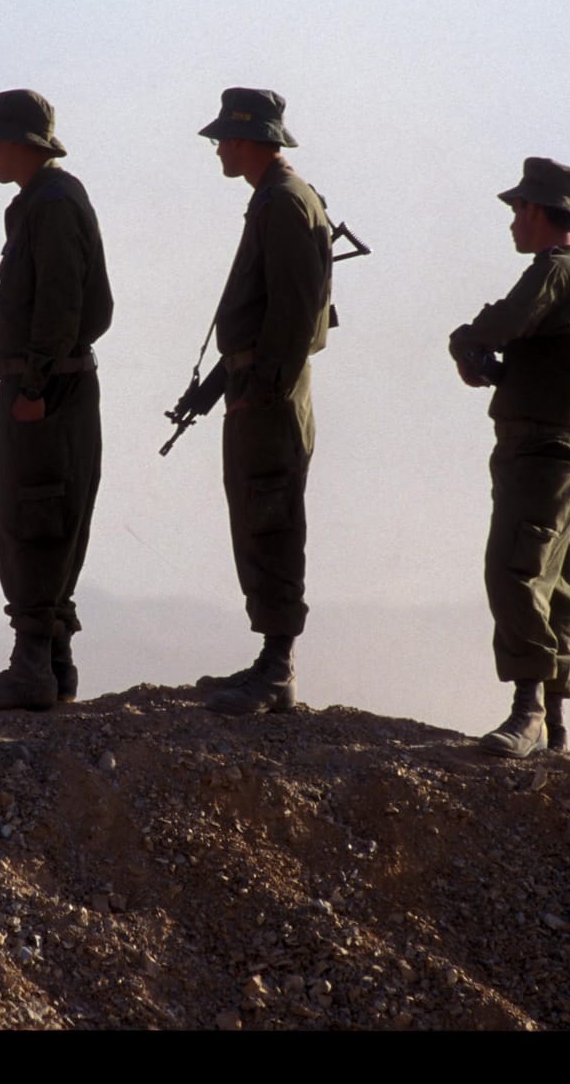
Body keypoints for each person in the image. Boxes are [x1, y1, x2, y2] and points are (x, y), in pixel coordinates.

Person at [0, 89, 113, 711]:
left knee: (35, 517)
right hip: (44, 384)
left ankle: (33, 667)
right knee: (42, 517)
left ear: (21, 144)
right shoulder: (40, 202)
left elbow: (64, 304)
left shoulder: (53, 204)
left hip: (48, 390)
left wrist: (36, 384)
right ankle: (54, 662)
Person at [449, 157, 570, 758]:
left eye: (518, 209)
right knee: (552, 581)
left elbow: (502, 322)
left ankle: (527, 713)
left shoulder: (551, 271)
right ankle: (554, 723)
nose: (512, 223)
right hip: (567, 446)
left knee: (514, 570)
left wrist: (467, 341)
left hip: (543, 448)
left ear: (539, 211)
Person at [189, 88, 335, 716]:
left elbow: (297, 314)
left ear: (251, 140)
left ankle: (277, 668)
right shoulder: (275, 198)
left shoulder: (281, 201)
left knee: (270, 517)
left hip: (269, 396)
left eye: (226, 137)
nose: (220, 147)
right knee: (258, 515)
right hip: (258, 388)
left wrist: (263, 388)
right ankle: (270, 659)